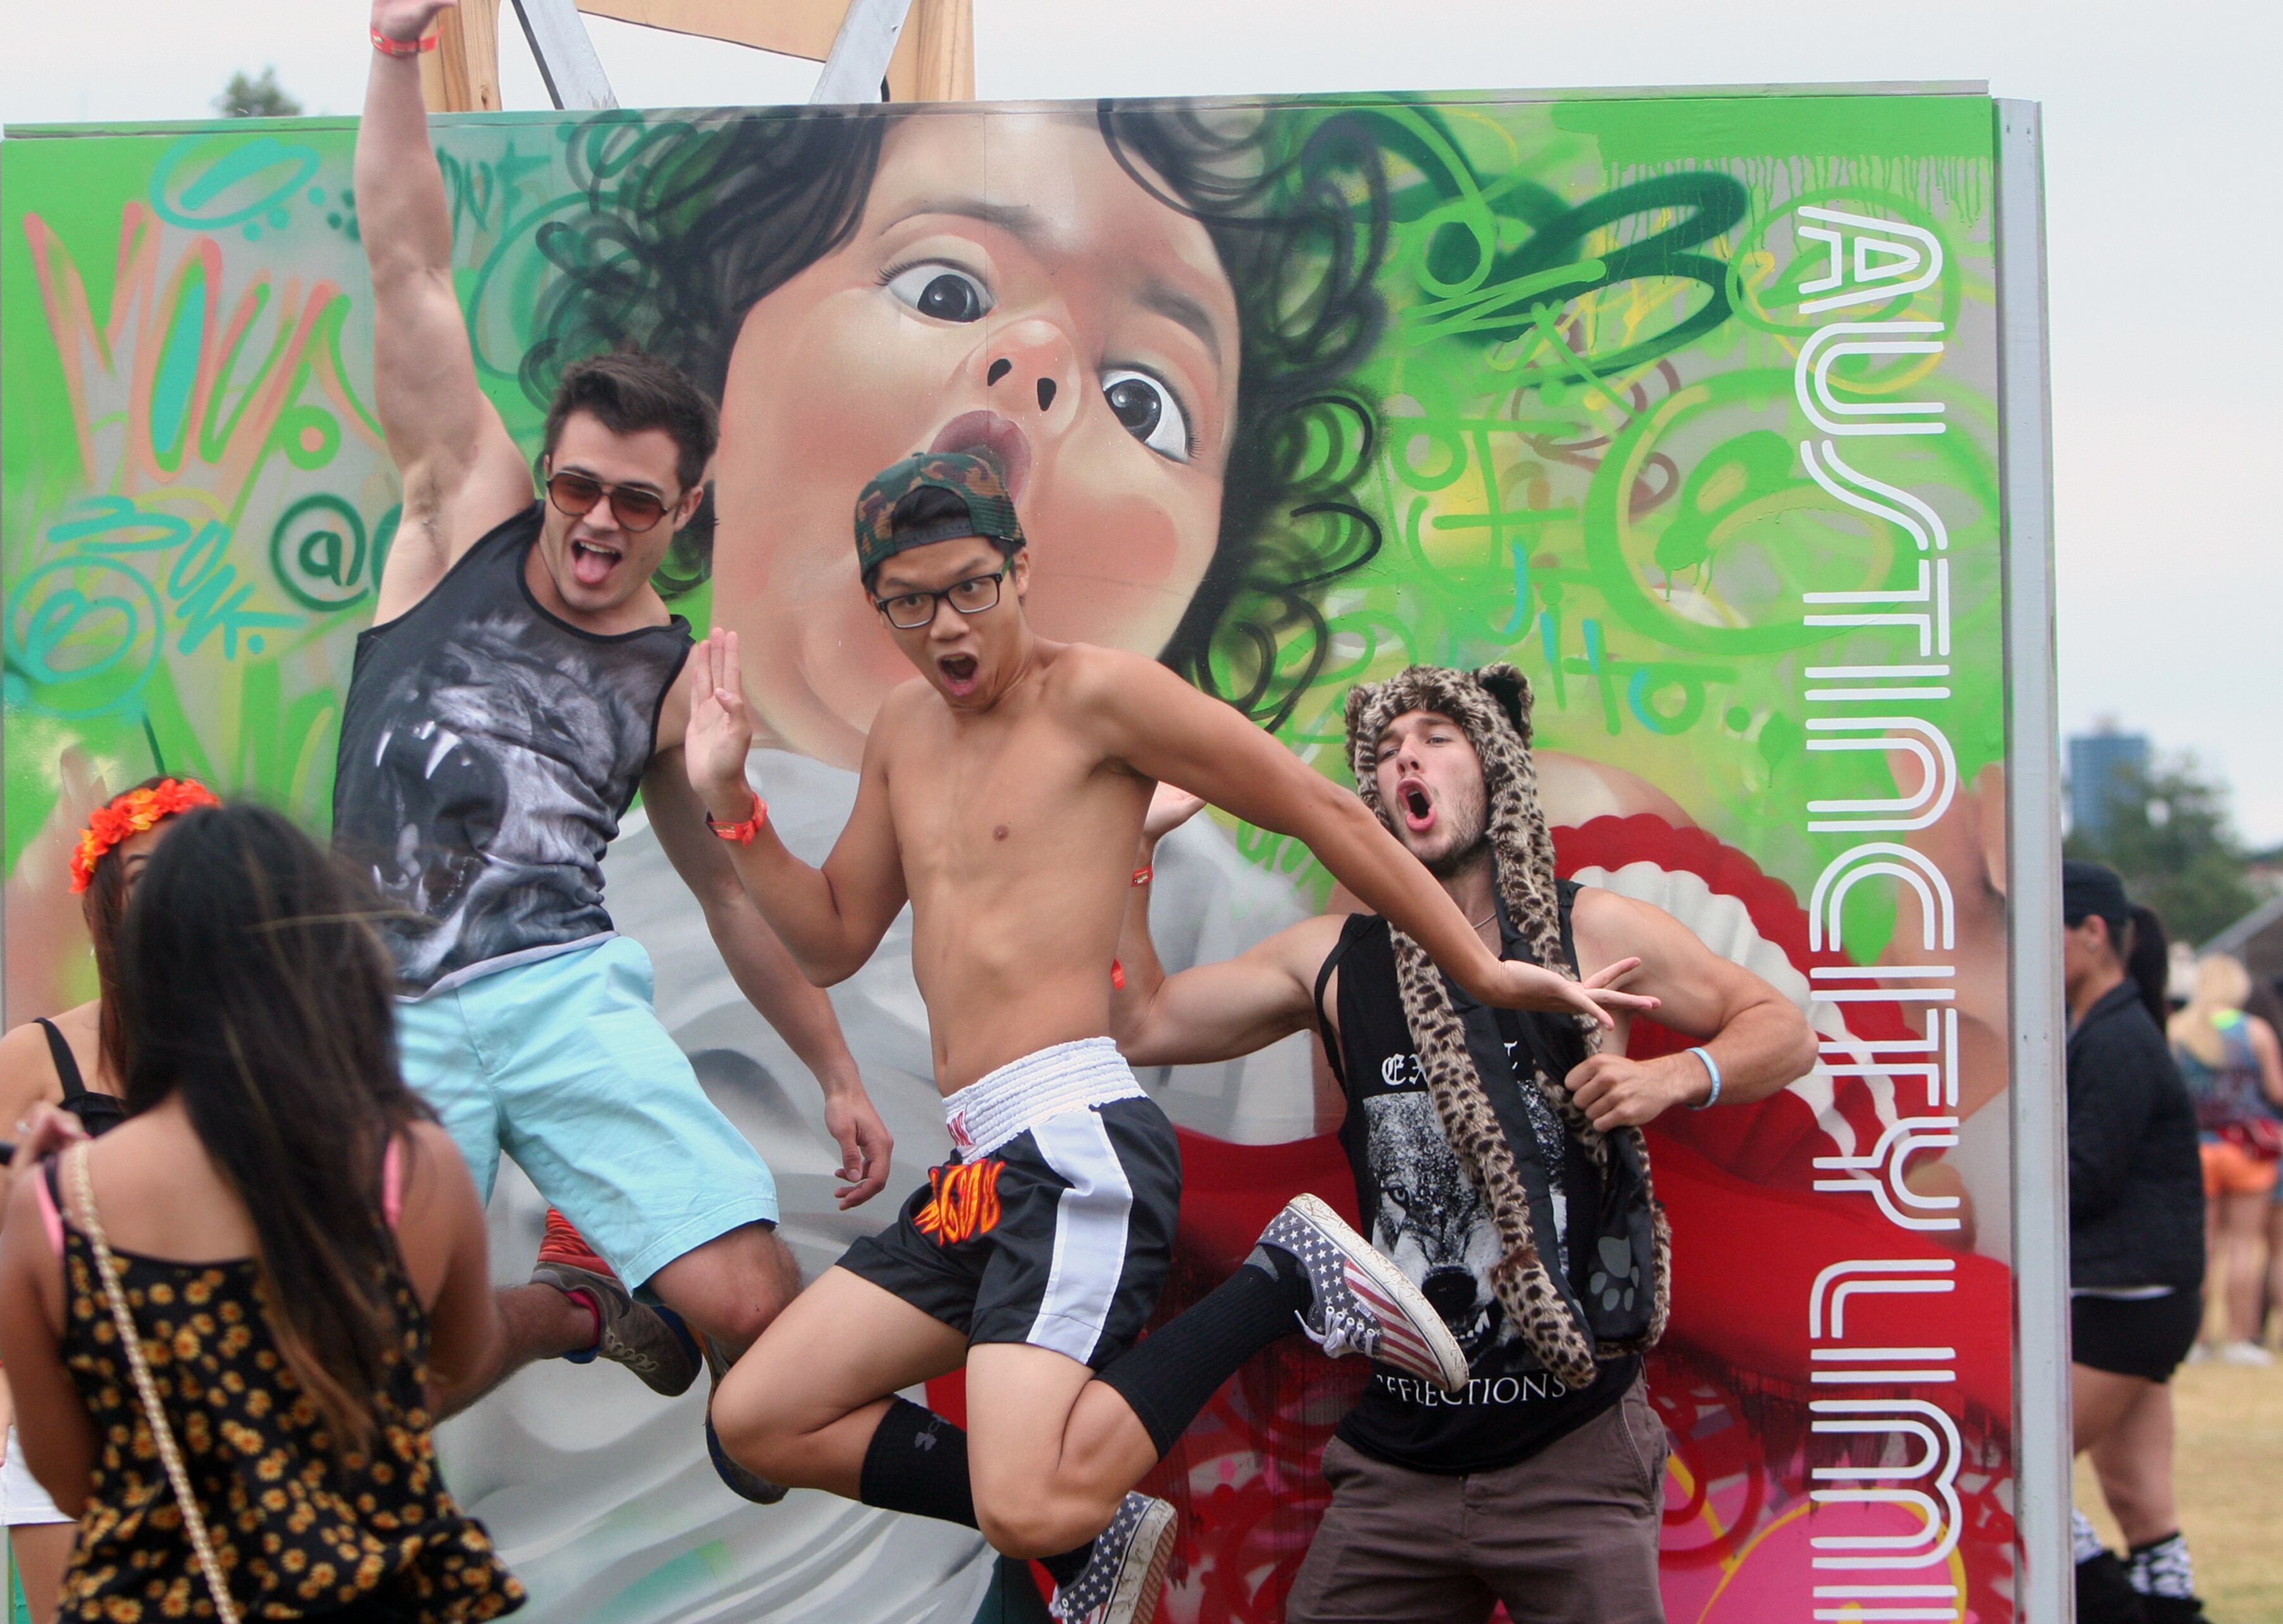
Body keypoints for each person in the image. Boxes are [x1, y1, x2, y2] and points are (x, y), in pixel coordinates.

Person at [693, 452, 1652, 1624]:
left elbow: (1314, 807)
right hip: (975, 1171)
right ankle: (1090, 1524)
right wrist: (733, 802)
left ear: (1022, 568)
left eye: (972, 587)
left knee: (1024, 1502)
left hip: (1074, 1142)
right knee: (760, 1415)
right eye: (910, 602)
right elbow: (833, 937)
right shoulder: (902, 729)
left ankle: (1285, 1278)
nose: (946, 625)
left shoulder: (1103, 698)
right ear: (879, 603)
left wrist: (1477, 964)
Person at [341, 0, 892, 1484]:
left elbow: (727, 893)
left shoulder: (670, 677)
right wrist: (393, 58)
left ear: (684, 508)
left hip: (559, 989)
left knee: (755, 1315)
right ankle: (575, 1306)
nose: (594, 522)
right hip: (389, 1006)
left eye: (634, 504)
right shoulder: (461, 512)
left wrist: (835, 1067)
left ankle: (669, 1297)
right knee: (380, 1373)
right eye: (579, 486)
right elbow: (406, 261)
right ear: (549, 466)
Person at [1106, 663, 1815, 1624]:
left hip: (1573, 1444)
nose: (1409, 757)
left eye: (1437, 737)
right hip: (1403, 1460)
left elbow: (1783, 1030)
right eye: (1389, 751)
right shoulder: (1331, 959)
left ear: (1497, 770)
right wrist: (1136, 844)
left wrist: (1667, 1080)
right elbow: (1144, 1022)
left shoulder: (1588, 926)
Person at [0, 802, 525, 1622]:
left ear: (149, 966)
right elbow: (455, 1362)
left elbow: (66, 1478)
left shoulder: (62, 1208)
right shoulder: (409, 1165)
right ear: (319, 953)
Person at [0, 775, 217, 1620]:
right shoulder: (37, 1057)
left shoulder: (259, 1049)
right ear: (104, 906)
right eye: (137, 878)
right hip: (66, 1409)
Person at [2062, 863, 2209, 1624]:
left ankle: (2118, 1614)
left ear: (2092, 934)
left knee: (2023, 1475)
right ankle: (2169, 1611)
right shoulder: (2112, 1026)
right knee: (2143, 1506)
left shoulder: (2117, 1038)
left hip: (2125, 1300)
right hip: (2144, 1298)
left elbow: (2087, 1174)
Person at [2169, 951, 2283, 1363]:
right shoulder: (2255, 1032)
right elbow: (2276, 1091)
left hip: (2196, 1149)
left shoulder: (2178, 1029)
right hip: (2246, 1151)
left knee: (2204, 1246)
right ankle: (2239, 1337)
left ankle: (2197, 1338)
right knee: (2243, 1247)